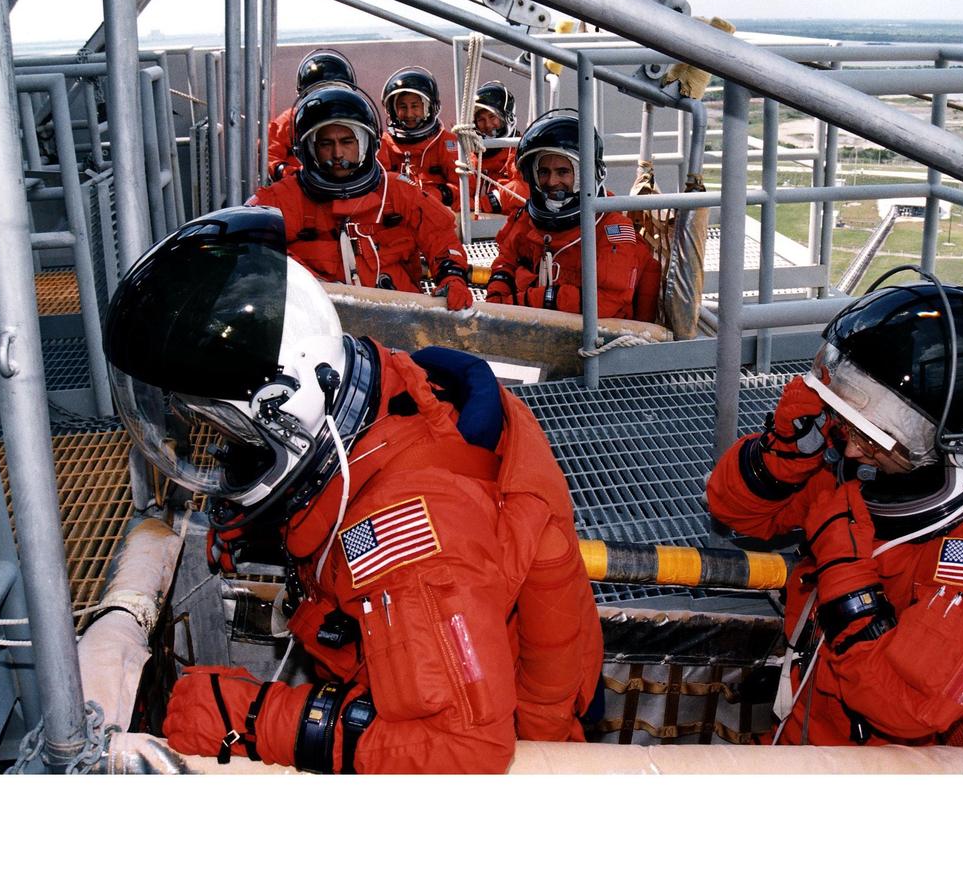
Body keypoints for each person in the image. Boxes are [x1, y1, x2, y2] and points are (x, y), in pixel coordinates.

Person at [103, 205, 604, 773]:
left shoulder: (410, 543)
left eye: (228, 431)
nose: (218, 449)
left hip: (517, 733)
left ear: (284, 413)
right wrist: (262, 524)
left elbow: (467, 753)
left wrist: (249, 717)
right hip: (478, 668)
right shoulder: (388, 388)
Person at [706, 275, 963, 748]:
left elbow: (903, 706)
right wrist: (785, 453)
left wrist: (842, 568)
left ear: (946, 443)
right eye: (849, 421)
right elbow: (734, 511)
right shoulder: (869, 461)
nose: (852, 449)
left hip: (880, 765)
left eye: (873, 435)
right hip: (812, 714)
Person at [248, 79, 474, 310]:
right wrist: (307, 282)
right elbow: (246, 243)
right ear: (309, 148)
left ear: (367, 143)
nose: (337, 153)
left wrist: (452, 277)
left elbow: (441, 238)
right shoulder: (284, 198)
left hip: (400, 313)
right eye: (326, 143)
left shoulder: (397, 191)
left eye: (347, 142)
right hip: (319, 314)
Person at [485, 109, 661, 323]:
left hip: (590, 336)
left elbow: (607, 300)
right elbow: (506, 261)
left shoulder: (611, 228)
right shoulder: (527, 217)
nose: (551, 182)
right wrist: (495, 297)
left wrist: (524, 302)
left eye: (562, 172)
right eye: (544, 172)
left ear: (585, 174)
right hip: (536, 322)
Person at [377, 67, 463, 210]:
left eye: (415, 106)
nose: (409, 114)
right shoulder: (384, 143)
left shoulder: (446, 142)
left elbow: (465, 187)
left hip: (436, 211)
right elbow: (377, 186)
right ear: (392, 110)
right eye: (402, 107)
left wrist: (438, 194)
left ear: (429, 108)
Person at [266, 48, 357, 180]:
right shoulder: (291, 120)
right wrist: (292, 175)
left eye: (334, 90)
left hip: (351, 184)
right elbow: (269, 155)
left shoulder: (358, 120)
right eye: (318, 92)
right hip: (303, 188)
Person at [466, 80, 527, 215]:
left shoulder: (520, 149)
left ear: (507, 117)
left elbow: (526, 188)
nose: (487, 125)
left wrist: (488, 202)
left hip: (512, 223)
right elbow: (464, 188)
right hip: (479, 223)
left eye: (492, 117)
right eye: (481, 119)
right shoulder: (473, 154)